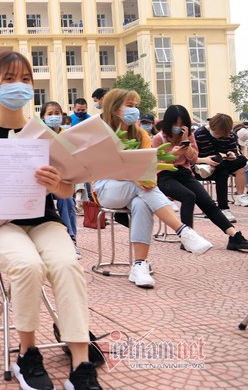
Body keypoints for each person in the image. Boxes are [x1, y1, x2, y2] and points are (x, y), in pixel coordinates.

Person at [0, 50, 111, 390]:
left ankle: (81, 366)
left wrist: (57, 183)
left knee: (67, 264)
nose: (17, 86)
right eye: (8, 79)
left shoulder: (44, 135)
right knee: (28, 266)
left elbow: (68, 190)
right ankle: (27, 355)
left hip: (42, 218)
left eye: (24, 79)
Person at [93, 89, 212, 288]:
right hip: (106, 188)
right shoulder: (99, 132)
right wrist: (133, 175)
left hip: (138, 188)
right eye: (129, 106)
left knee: (141, 202)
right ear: (114, 108)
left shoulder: (140, 134)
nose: (135, 111)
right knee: (140, 187)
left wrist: (142, 173)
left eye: (136, 106)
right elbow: (100, 168)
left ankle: (139, 266)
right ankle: (183, 230)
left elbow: (149, 166)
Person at [153, 105, 248, 251]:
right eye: (175, 124)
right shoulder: (159, 138)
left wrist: (186, 141)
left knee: (208, 203)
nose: (178, 127)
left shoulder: (189, 135)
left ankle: (234, 236)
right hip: (165, 175)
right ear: (168, 122)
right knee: (188, 196)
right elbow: (157, 164)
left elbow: (193, 158)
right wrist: (173, 154)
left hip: (184, 173)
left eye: (182, 124)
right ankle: (188, 239)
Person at [40, 102, 80, 258]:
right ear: (43, 117)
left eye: (57, 113)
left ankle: (71, 241)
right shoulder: (39, 135)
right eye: (49, 114)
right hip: (42, 182)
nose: (54, 116)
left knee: (67, 200)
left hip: (62, 181)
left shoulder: (67, 136)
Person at [193, 113, 247, 222]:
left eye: (222, 134)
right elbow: (191, 157)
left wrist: (231, 155)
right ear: (212, 127)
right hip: (202, 166)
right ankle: (223, 209)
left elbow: (234, 152)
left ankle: (223, 209)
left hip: (221, 164)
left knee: (241, 160)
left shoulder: (230, 135)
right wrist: (206, 160)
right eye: (217, 133)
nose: (219, 135)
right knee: (223, 173)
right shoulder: (198, 134)